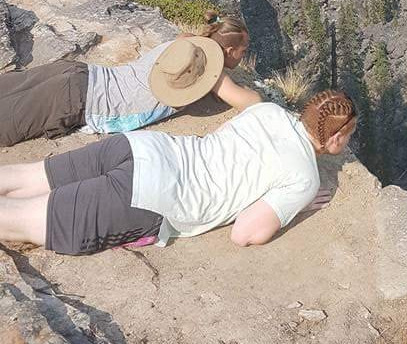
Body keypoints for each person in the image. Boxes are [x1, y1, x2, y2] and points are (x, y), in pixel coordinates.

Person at [0, 89, 357, 254]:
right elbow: (245, 234)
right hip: (151, 197)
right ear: (337, 137)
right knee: (16, 218)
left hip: (141, 147)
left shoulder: (269, 111)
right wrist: (291, 207)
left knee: (25, 178)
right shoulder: (305, 178)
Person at [0, 13, 253, 147]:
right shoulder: (209, 74)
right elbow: (252, 102)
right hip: (75, 101)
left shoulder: (185, 43)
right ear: (230, 52)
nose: (244, 56)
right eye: (244, 50)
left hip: (79, 73)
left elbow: (194, 37)